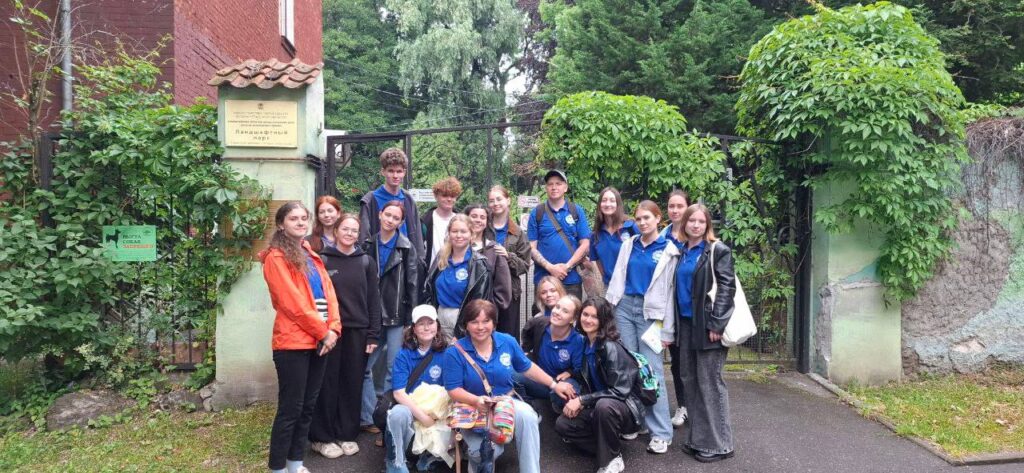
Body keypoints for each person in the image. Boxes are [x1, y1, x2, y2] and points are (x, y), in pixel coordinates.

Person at [442, 299, 575, 473]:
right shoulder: (454, 352)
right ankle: (478, 453)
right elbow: (453, 390)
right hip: (473, 409)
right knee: (486, 452)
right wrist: (476, 401)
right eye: (474, 322)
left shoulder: (506, 341)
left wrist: (554, 385)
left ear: (494, 323)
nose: (480, 327)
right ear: (466, 325)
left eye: (486, 321)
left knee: (528, 416)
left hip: (505, 401)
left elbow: (527, 367)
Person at [260, 202, 341, 473]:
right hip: (293, 343)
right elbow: (292, 304)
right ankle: (277, 468)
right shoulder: (276, 258)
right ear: (281, 224)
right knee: (290, 409)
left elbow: (329, 294)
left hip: (321, 339)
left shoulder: (309, 252)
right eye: (293, 218)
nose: (300, 222)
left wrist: (334, 329)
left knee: (307, 407)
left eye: (304, 218)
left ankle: (295, 464)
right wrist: (323, 332)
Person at [605, 201, 679, 454]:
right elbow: (618, 277)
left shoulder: (669, 250)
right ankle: (638, 422)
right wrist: (611, 308)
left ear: (658, 218)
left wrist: (667, 330)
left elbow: (670, 292)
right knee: (628, 368)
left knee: (652, 371)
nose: (643, 222)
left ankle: (661, 433)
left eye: (647, 217)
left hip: (651, 315)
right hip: (625, 308)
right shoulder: (629, 244)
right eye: (638, 219)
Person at [310, 214, 381, 458]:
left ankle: (346, 434)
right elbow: (316, 298)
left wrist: (373, 335)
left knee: (352, 383)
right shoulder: (323, 259)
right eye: (345, 229)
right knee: (327, 383)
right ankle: (322, 437)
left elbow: (373, 299)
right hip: (330, 332)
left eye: (354, 230)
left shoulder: (366, 262)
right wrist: (320, 331)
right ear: (336, 230)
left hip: (358, 332)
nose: (350, 234)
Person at [672, 203, 736, 463]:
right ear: (685, 223)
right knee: (690, 381)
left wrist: (717, 324)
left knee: (710, 383)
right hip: (686, 325)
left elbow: (726, 288)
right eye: (692, 221)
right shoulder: (682, 251)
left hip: (708, 326)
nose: (696, 225)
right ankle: (698, 440)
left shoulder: (717, 250)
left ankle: (720, 445)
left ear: (707, 224)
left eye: (701, 221)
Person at [556, 297, 643, 473]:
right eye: (585, 314)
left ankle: (612, 458)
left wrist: (582, 400)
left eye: (594, 317)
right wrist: (571, 373)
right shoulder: (586, 343)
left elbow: (620, 391)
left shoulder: (610, 347)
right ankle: (607, 448)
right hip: (599, 405)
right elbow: (590, 375)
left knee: (604, 406)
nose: (588, 320)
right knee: (563, 424)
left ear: (603, 320)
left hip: (624, 409)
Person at [362, 201, 420, 437]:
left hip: (396, 317)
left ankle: (386, 416)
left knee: (392, 368)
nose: (390, 220)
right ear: (380, 215)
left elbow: (412, 284)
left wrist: (411, 319)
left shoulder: (406, 247)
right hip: (372, 317)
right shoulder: (367, 244)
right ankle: (368, 416)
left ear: (401, 222)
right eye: (388, 215)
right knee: (364, 367)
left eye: (396, 218)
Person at [385, 305, 450, 473]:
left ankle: (430, 457)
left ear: (437, 326)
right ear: (413, 328)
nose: (426, 328)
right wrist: (423, 417)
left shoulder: (447, 353)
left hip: (439, 414)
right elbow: (399, 393)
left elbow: (452, 388)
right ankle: (395, 461)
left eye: (430, 322)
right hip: (413, 413)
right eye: (421, 324)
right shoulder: (403, 354)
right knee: (398, 413)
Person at [422, 215, 505, 339]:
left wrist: (463, 330)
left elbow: (480, 303)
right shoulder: (441, 258)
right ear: (449, 234)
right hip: (439, 317)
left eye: (463, 231)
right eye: (454, 231)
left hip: (464, 320)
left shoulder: (479, 264)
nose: (458, 235)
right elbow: (428, 290)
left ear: (471, 235)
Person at [528, 169, 591, 300]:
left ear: (565, 187)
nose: (554, 187)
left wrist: (567, 267)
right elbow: (531, 247)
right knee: (543, 314)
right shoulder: (537, 213)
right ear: (546, 188)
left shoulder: (576, 211)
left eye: (558, 183)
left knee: (571, 313)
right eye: (550, 184)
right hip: (544, 281)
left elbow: (585, 244)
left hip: (571, 280)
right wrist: (550, 267)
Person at [514, 294, 583, 413]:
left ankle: (557, 414)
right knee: (512, 374)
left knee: (569, 394)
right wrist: (526, 350)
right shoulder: (541, 324)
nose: (557, 312)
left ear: (572, 319)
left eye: (565, 311)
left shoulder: (578, 340)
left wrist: (570, 372)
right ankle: (529, 409)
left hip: (562, 382)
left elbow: (581, 370)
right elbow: (527, 331)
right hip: (540, 379)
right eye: (557, 307)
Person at [358, 148, 424, 264]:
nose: (395, 175)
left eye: (399, 171)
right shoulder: (370, 200)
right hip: (378, 260)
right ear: (383, 171)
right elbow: (364, 237)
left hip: (405, 260)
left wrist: (419, 262)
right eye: (391, 171)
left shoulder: (408, 199)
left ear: (404, 172)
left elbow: (417, 236)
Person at [660, 189, 690, 428]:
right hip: (667, 307)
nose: (675, 210)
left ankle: (696, 406)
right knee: (677, 361)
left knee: (692, 361)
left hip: (689, 307)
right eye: (671, 206)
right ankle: (682, 405)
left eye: (680, 206)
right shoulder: (662, 237)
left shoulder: (695, 234)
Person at [488, 185, 532, 341]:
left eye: (499, 199)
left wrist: (508, 256)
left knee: (508, 336)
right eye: (491, 200)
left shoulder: (518, 232)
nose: (495, 203)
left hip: (510, 291)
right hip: (486, 289)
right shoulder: (483, 228)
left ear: (508, 200)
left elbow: (525, 266)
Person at [463, 203, 513, 311]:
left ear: (487, 222)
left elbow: (503, 287)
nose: (478, 220)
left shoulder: (494, 250)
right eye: (474, 216)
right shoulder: (456, 248)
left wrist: (490, 309)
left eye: (482, 217)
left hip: (483, 313)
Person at [587, 187, 638, 286]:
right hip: (610, 286)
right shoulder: (596, 234)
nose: (608, 204)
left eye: (612, 200)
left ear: (618, 204)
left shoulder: (631, 227)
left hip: (632, 287)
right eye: (604, 200)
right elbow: (598, 261)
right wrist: (608, 282)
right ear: (599, 205)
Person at [420, 176, 463, 268]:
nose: (449, 199)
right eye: (445, 195)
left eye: (452, 196)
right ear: (436, 196)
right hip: (431, 271)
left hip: (456, 270)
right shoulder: (424, 221)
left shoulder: (462, 221)